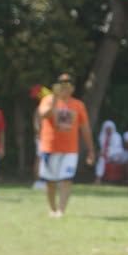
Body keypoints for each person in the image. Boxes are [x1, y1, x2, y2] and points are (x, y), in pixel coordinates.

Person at [37, 73, 95, 217]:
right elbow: (44, 115)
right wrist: (55, 100)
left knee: (66, 179)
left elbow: (85, 128)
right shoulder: (47, 100)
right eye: (61, 85)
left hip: (70, 149)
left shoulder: (78, 105)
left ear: (73, 88)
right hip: (50, 147)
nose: (64, 88)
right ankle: (52, 208)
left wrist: (91, 150)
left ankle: (61, 210)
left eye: (68, 85)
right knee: (50, 181)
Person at [94, 120, 124, 185]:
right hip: (106, 156)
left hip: (116, 155)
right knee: (101, 160)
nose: (109, 130)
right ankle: (98, 179)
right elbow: (102, 148)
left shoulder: (117, 136)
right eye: (107, 128)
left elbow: (116, 148)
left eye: (110, 129)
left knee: (103, 157)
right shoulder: (102, 136)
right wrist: (101, 153)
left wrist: (105, 153)